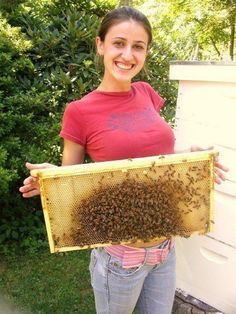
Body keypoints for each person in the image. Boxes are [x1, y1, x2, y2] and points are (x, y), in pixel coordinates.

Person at [19, 6, 228, 314]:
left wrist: (192, 163)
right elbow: (73, 183)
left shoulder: (146, 93)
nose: (128, 55)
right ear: (100, 44)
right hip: (120, 260)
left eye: (138, 47)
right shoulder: (79, 111)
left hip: (164, 252)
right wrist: (54, 181)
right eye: (119, 43)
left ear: (145, 53)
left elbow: (153, 161)